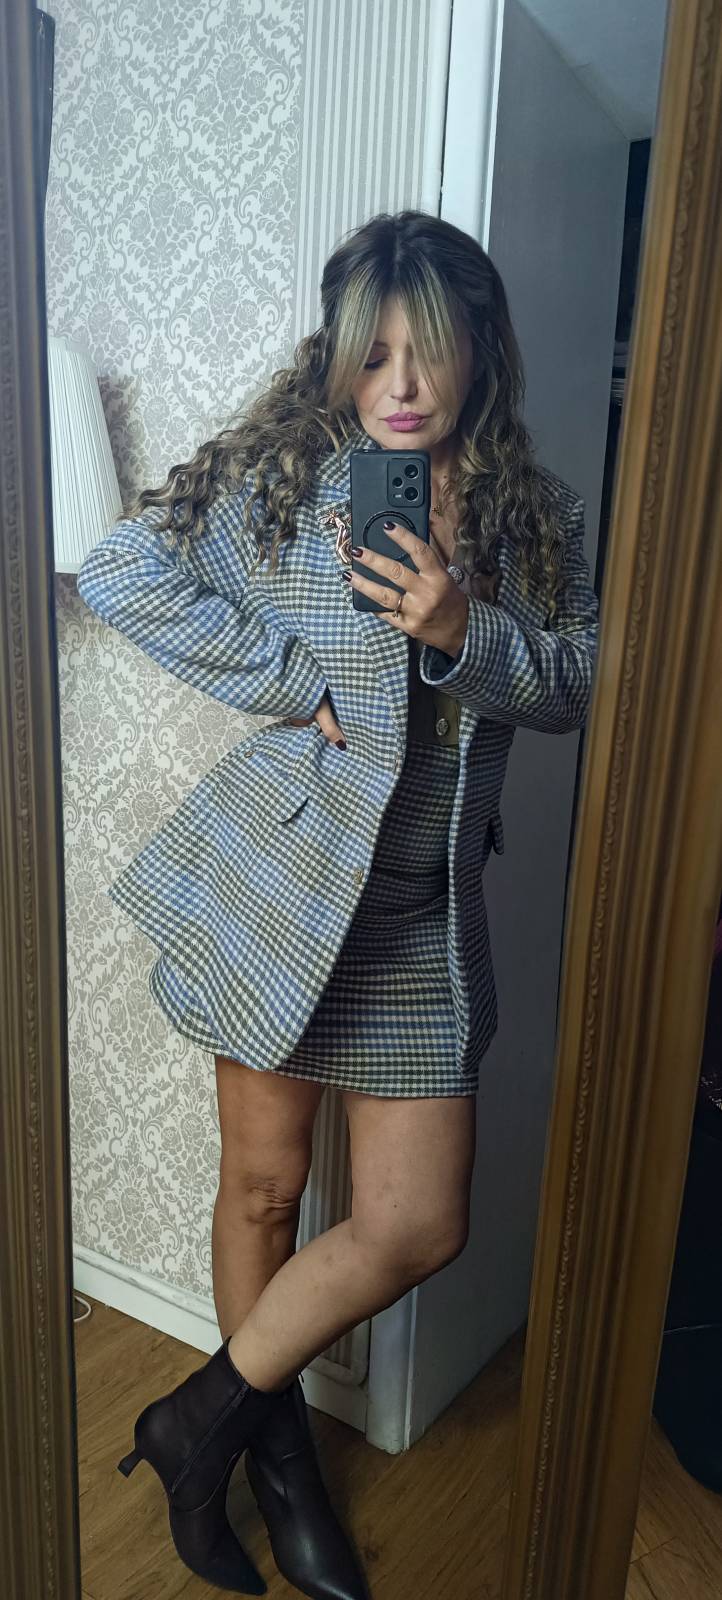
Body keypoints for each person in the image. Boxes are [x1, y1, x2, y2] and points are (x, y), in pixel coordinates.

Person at [78, 209, 599, 1598]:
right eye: (373, 353)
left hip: (420, 919)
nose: (403, 385)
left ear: (482, 348)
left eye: (431, 350)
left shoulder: (539, 517)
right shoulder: (282, 487)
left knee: (416, 1222)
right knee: (263, 1190)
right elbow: (122, 570)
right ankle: (279, 1464)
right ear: (338, 356)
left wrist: (464, 630)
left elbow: (583, 682)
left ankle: (196, 1421)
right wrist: (293, 680)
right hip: (284, 888)